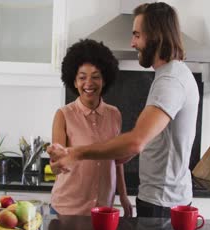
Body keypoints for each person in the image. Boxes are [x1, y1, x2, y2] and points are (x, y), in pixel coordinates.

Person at [48, 2, 199, 218]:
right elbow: (145, 141)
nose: (132, 43)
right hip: (159, 198)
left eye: (137, 35)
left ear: (155, 36)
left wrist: (77, 153)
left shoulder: (170, 81)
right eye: (82, 77)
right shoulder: (168, 77)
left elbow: (136, 141)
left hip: (163, 201)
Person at [49, 39, 133, 217]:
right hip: (67, 209)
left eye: (95, 76)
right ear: (74, 81)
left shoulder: (114, 114)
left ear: (104, 80)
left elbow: (116, 160)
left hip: (103, 210)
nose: (89, 83)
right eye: (82, 77)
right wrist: (57, 160)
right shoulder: (63, 115)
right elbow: (56, 165)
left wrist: (124, 196)